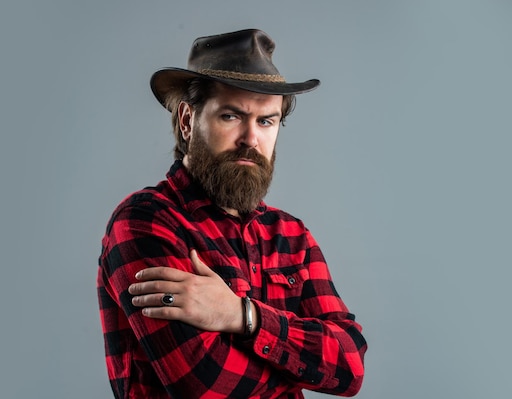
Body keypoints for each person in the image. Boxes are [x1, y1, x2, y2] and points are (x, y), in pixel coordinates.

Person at [97, 29, 366, 399]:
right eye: (231, 116)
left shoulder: (291, 234)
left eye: (266, 121)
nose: (250, 139)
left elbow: (350, 366)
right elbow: (203, 385)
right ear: (188, 121)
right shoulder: (144, 222)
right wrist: (301, 370)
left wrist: (243, 316)